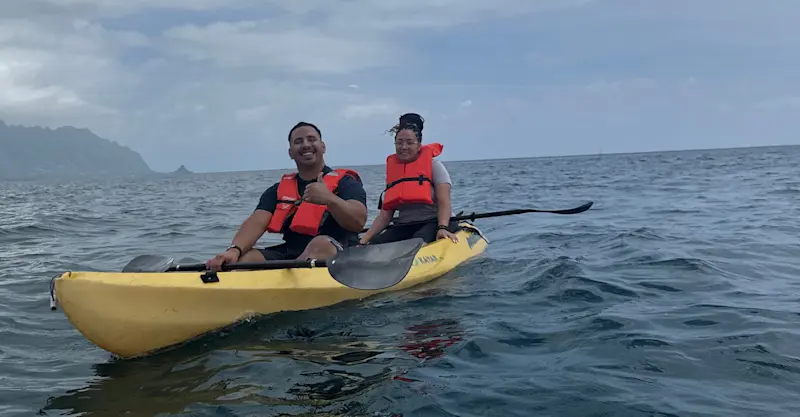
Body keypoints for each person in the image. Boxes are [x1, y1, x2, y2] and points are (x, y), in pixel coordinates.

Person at [206, 121, 368, 271]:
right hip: (291, 253)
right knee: (246, 258)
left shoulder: (346, 183)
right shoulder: (277, 190)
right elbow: (257, 221)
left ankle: (290, 284)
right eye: (298, 142)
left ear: (323, 146)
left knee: (320, 244)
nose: (305, 145)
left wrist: (330, 199)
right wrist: (235, 250)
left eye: (311, 139)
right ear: (290, 153)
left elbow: (358, 222)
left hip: (339, 251)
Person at [360, 113, 458, 245]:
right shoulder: (395, 171)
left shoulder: (435, 166)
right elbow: (385, 214)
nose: (404, 147)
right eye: (399, 143)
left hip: (434, 221)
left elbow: (444, 202)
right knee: (376, 243)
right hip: (405, 225)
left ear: (419, 145)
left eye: (409, 143)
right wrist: (365, 239)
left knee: (417, 240)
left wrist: (442, 228)